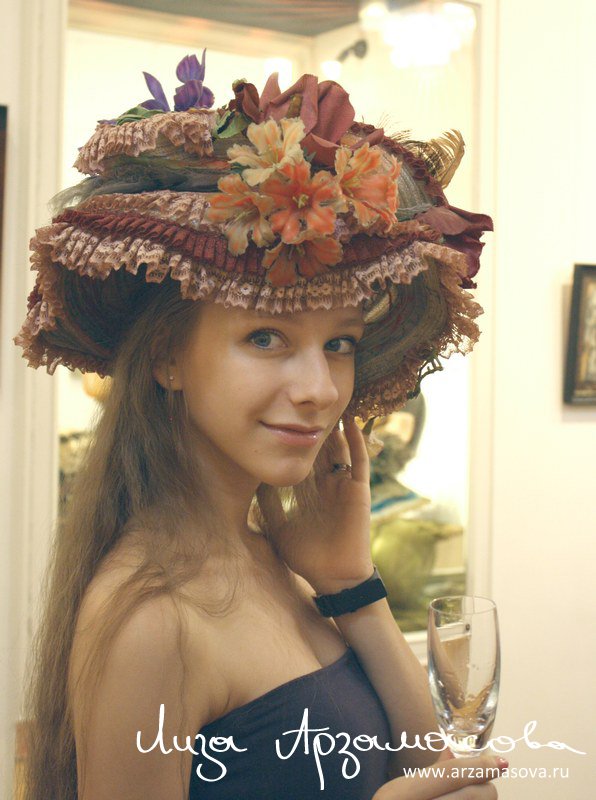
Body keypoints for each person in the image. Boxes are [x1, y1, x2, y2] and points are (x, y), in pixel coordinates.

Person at [14, 55, 502, 800]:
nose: (319, 390)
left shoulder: (274, 556)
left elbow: (459, 786)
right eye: (266, 337)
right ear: (169, 357)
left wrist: (352, 587)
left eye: (339, 343)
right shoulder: (152, 619)